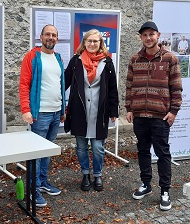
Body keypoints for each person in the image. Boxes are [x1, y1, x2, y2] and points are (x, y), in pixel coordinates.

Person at [125, 21, 183, 211]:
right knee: (142, 150)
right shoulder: (134, 59)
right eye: (144, 35)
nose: (148, 38)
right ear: (141, 38)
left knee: (162, 153)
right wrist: (129, 108)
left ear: (158, 35)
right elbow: (129, 86)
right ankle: (146, 184)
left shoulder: (169, 59)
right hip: (140, 114)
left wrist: (173, 111)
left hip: (160, 116)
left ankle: (165, 191)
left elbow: (176, 87)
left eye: (151, 34)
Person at [64, 29, 119, 192]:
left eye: (96, 41)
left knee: (98, 148)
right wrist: (59, 105)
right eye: (90, 41)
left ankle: (98, 174)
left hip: (99, 112)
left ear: (100, 43)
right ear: (84, 43)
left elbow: (112, 89)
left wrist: (114, 111)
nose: (93, 44)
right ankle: (85, 174)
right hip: (79, 111)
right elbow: (64, 83)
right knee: (81, 147)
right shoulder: (76, 61)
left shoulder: (107, 63)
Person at [19, 24, 65, 207]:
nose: (51, 37)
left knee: (47, 151)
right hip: (40, 114)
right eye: (48, 34)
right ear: (41, 37)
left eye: (54, 35)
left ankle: (43, 182)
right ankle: (33, 188)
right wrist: (26, 110)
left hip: (55, 112)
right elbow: (24, 84)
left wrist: (62, 110)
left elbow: (60, 85)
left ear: (57, 39)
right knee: (36, 154)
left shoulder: (58, 58)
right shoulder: (32, 56)